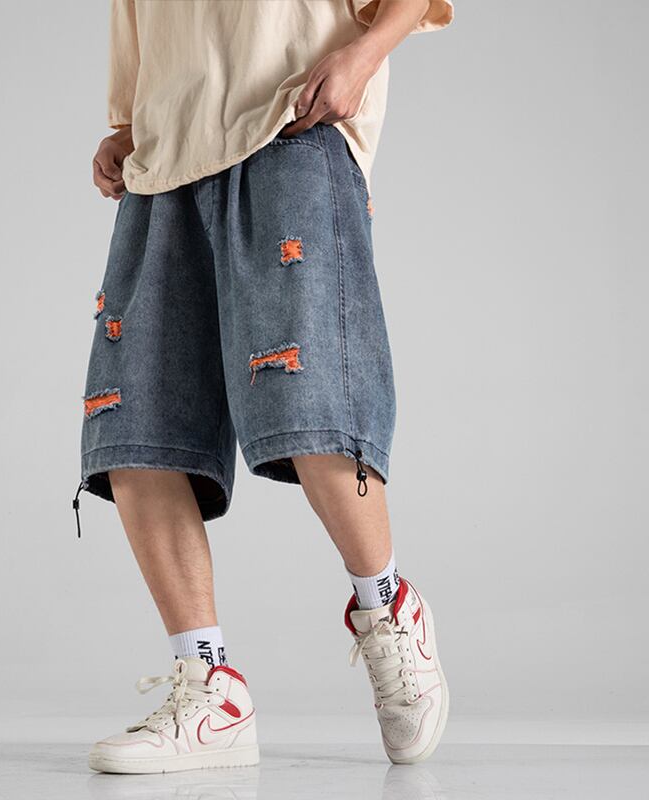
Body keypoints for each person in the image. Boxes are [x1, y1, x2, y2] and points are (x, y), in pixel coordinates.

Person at [79, 0, 453, 775]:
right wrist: (131, 126)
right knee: (137, 430)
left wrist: (362, 57)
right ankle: (209, 689)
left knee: (313, 406)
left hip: (291, 121)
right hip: (166, 156)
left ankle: (387, 608)